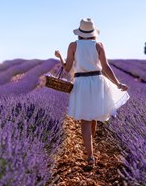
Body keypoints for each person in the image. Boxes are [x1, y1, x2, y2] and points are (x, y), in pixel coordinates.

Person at [54, 18, 130, 165]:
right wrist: (118, 83)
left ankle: (90, 155)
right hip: (97, 82)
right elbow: (106, 68)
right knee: (93, 115)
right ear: (93, 32)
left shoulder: (73, 45)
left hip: (81, 83)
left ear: (80, 32)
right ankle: (91, 147)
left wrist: (60, 57)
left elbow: (67, 68)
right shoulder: (99, 45)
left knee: (85, 120)